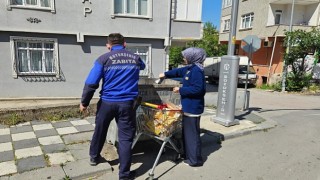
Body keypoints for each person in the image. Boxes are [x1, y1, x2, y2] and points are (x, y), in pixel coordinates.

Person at [80, 33, 145, 180]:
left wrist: (84, 102)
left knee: (100, 130)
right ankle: (124, 175)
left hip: (107, 103)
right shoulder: (135, 58)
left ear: (108, 45)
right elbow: (143, 66)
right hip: (128, 104)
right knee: (125, 139)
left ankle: (94, 157)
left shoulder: (103, 59)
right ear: (125, 44)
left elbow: (91, 83)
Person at [159, 47, 206, 167]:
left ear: (192, 57)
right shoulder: (191, 68)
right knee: (187, 134)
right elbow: (178, 72)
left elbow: (199, 89)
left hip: (193, 108)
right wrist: (165, 74)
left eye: (186, 56)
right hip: (188, 107)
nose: (184, 58)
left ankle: (195, 160)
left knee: (192, 135)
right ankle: (188, 156)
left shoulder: (197, 71)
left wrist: (180, 90)